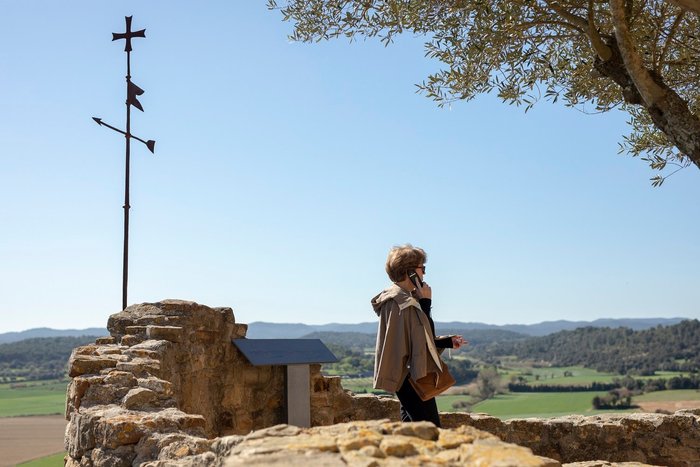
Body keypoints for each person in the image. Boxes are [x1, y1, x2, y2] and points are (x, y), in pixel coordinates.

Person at [371, 244, 466, 427]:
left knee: (412, 431)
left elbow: (416, 337)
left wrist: (447, 342)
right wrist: (426, 303)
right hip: (411, 376)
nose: (424, 274)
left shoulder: (403, 299)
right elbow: (409, 342)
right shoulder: (401, 302)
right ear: (410, 272)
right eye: (422, 269)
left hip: (408, 375)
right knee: (431, 431)